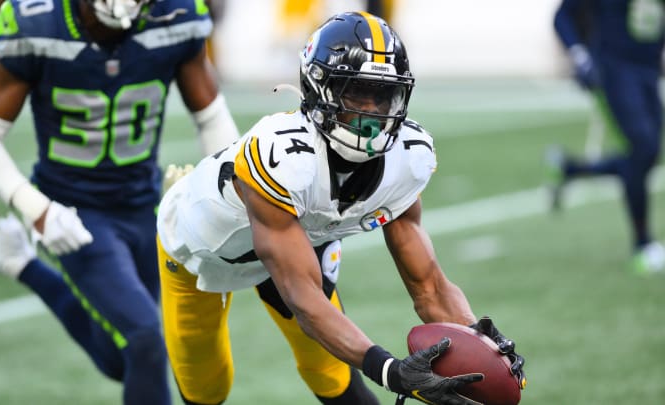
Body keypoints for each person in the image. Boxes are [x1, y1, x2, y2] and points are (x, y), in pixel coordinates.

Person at [155, 11, 526, 405]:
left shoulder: (407, 156)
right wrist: (391, 370)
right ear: (320, 89)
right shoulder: (282, 154)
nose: (370, 112)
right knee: (208, 386)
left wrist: (479, 338)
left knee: (333, 377)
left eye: (382, 95)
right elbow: (304, 300)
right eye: (356, 92)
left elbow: (430, 286)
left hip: (301, 242)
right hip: (201, 252)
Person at [0, 0, 239, 403]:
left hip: (144, 202)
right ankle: (21, 252)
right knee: (144, 340)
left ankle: (19, 261)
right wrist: (39, 212)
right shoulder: (36, 23)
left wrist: (227, 195)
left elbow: (210, 115)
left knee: (128, 356)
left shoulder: (177, 14)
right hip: (73, 209)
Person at [550, 0, 665, 274]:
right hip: (615, 70)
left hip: (649, 72)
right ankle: (642, 244)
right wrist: (580, 57)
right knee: (643, 146)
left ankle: (571, 168)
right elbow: (563, 15)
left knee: (647, 155)